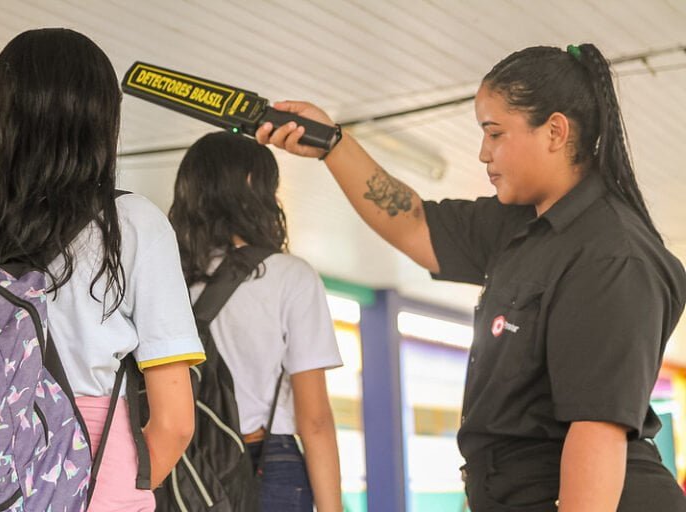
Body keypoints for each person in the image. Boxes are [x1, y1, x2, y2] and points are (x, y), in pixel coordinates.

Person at [256, 44, 686, 511]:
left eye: (495, 133)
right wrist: (332, 145)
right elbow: (412, 222)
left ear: (555, 132)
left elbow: (597, 431)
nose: (483, 153)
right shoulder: (519, 223)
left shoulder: (611, 256)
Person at [0, 28, 204, 511]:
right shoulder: (131, 224)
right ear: (101, 118)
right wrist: (112, 486)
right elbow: (175, 421)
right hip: (91, 468)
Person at [169, 131, 344, 512]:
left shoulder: (166, 281)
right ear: (253, 187)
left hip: (184, 464)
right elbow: (314, 420)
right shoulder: (289, 276)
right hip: (266, 460)